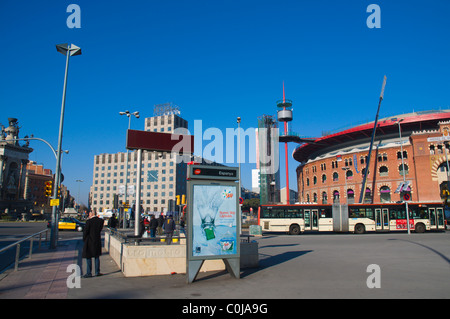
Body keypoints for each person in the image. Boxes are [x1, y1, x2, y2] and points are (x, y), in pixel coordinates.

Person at [82, 211, 104, 278]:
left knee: (88, 256)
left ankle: (89, 273)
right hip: (97, 240)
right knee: (96, 256)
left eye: (89, 214)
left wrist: (84, 239)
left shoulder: (89, 222)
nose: (88, 215)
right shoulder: (100, 221)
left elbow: (85, 232)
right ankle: (97, 272)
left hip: (89, 241)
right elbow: (100, 228)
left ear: (91, 214)